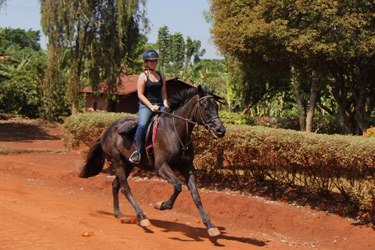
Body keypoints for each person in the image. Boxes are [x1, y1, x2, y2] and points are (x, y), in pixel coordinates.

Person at [129, 50, 169, 164]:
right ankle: (137, 151)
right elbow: (140, 94)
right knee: (142, 124)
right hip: (146, 106)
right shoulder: (143, 76)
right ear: (146, 62)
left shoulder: (161, 75)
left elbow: (163, 92)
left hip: (160, 105)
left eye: (155, 61)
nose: (153, 63)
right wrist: (151, 107)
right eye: (151, 61)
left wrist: (165, 104)